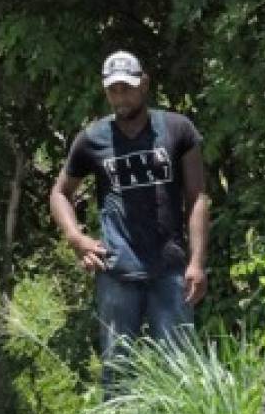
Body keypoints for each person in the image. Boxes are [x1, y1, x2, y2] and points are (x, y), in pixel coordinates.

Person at [49, 50, 210, 392]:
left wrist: (197, 262)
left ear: (144, 85)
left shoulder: (178, 129)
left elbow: (197, 196)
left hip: (170, 269)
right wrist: (77, 239)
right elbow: (60, 193)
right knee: (117, 372)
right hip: (117, 270)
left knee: (180, 372)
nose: (120, 97)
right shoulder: (92, 139)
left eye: (127, 88)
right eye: (113, 90)